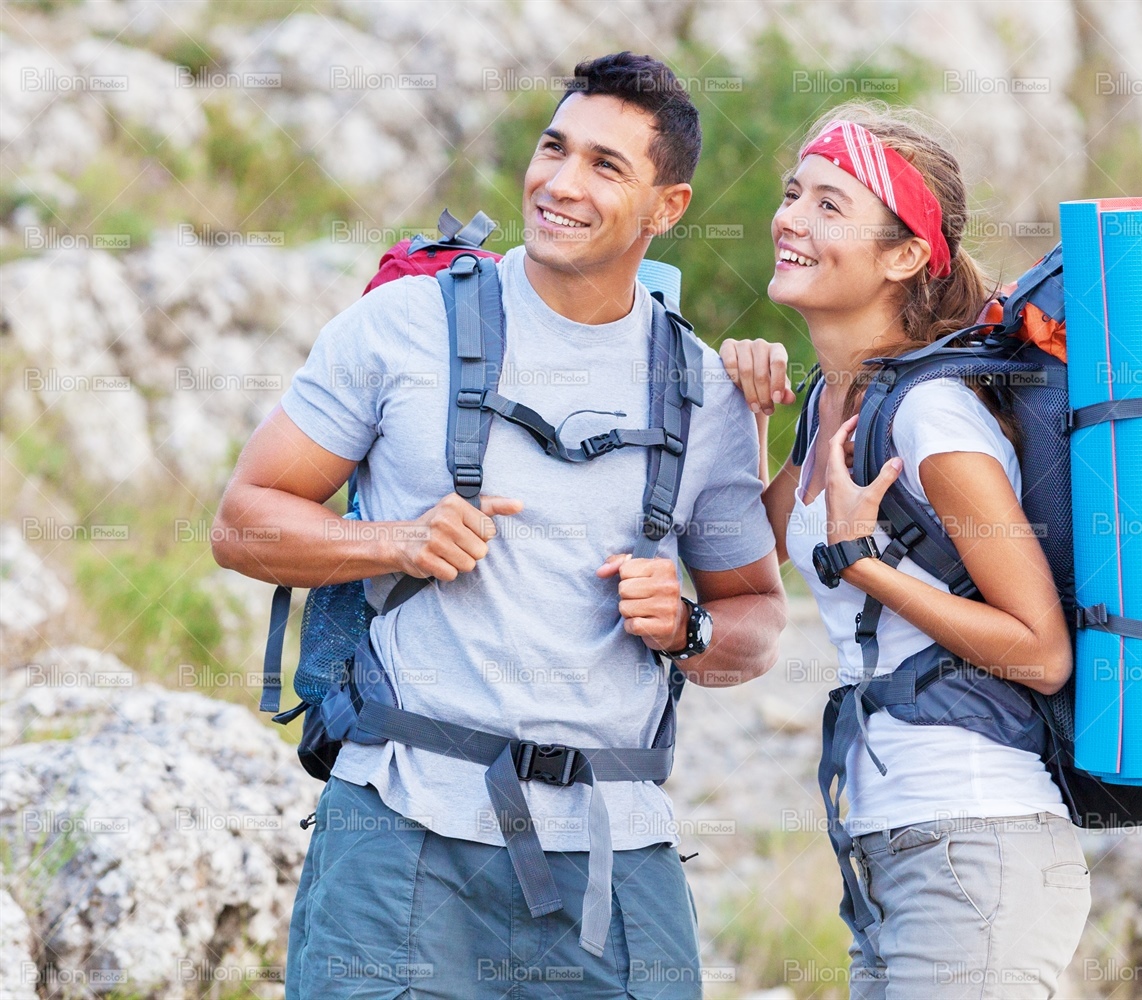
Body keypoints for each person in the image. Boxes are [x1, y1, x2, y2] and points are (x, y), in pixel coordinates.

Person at [212, 53, 785, 999]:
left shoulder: (703, 390)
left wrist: (689, 627)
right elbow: (242, 522)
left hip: (613, 850)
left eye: (605, 165)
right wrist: (394, 541)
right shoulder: (400, 326)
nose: (560, 182)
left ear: (667, 207)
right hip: (399, 829)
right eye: (554, 148)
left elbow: (756, 618)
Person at [719, 103, 1091, 999]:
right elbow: (738, 555)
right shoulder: (832, 404)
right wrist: (745, 416)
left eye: (829, 206)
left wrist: (867, 564)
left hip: (976, 841)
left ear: (903, 256)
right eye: (792, 194)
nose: (790, 218)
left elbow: (1041, 651)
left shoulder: (931, 416)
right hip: (891, 848)